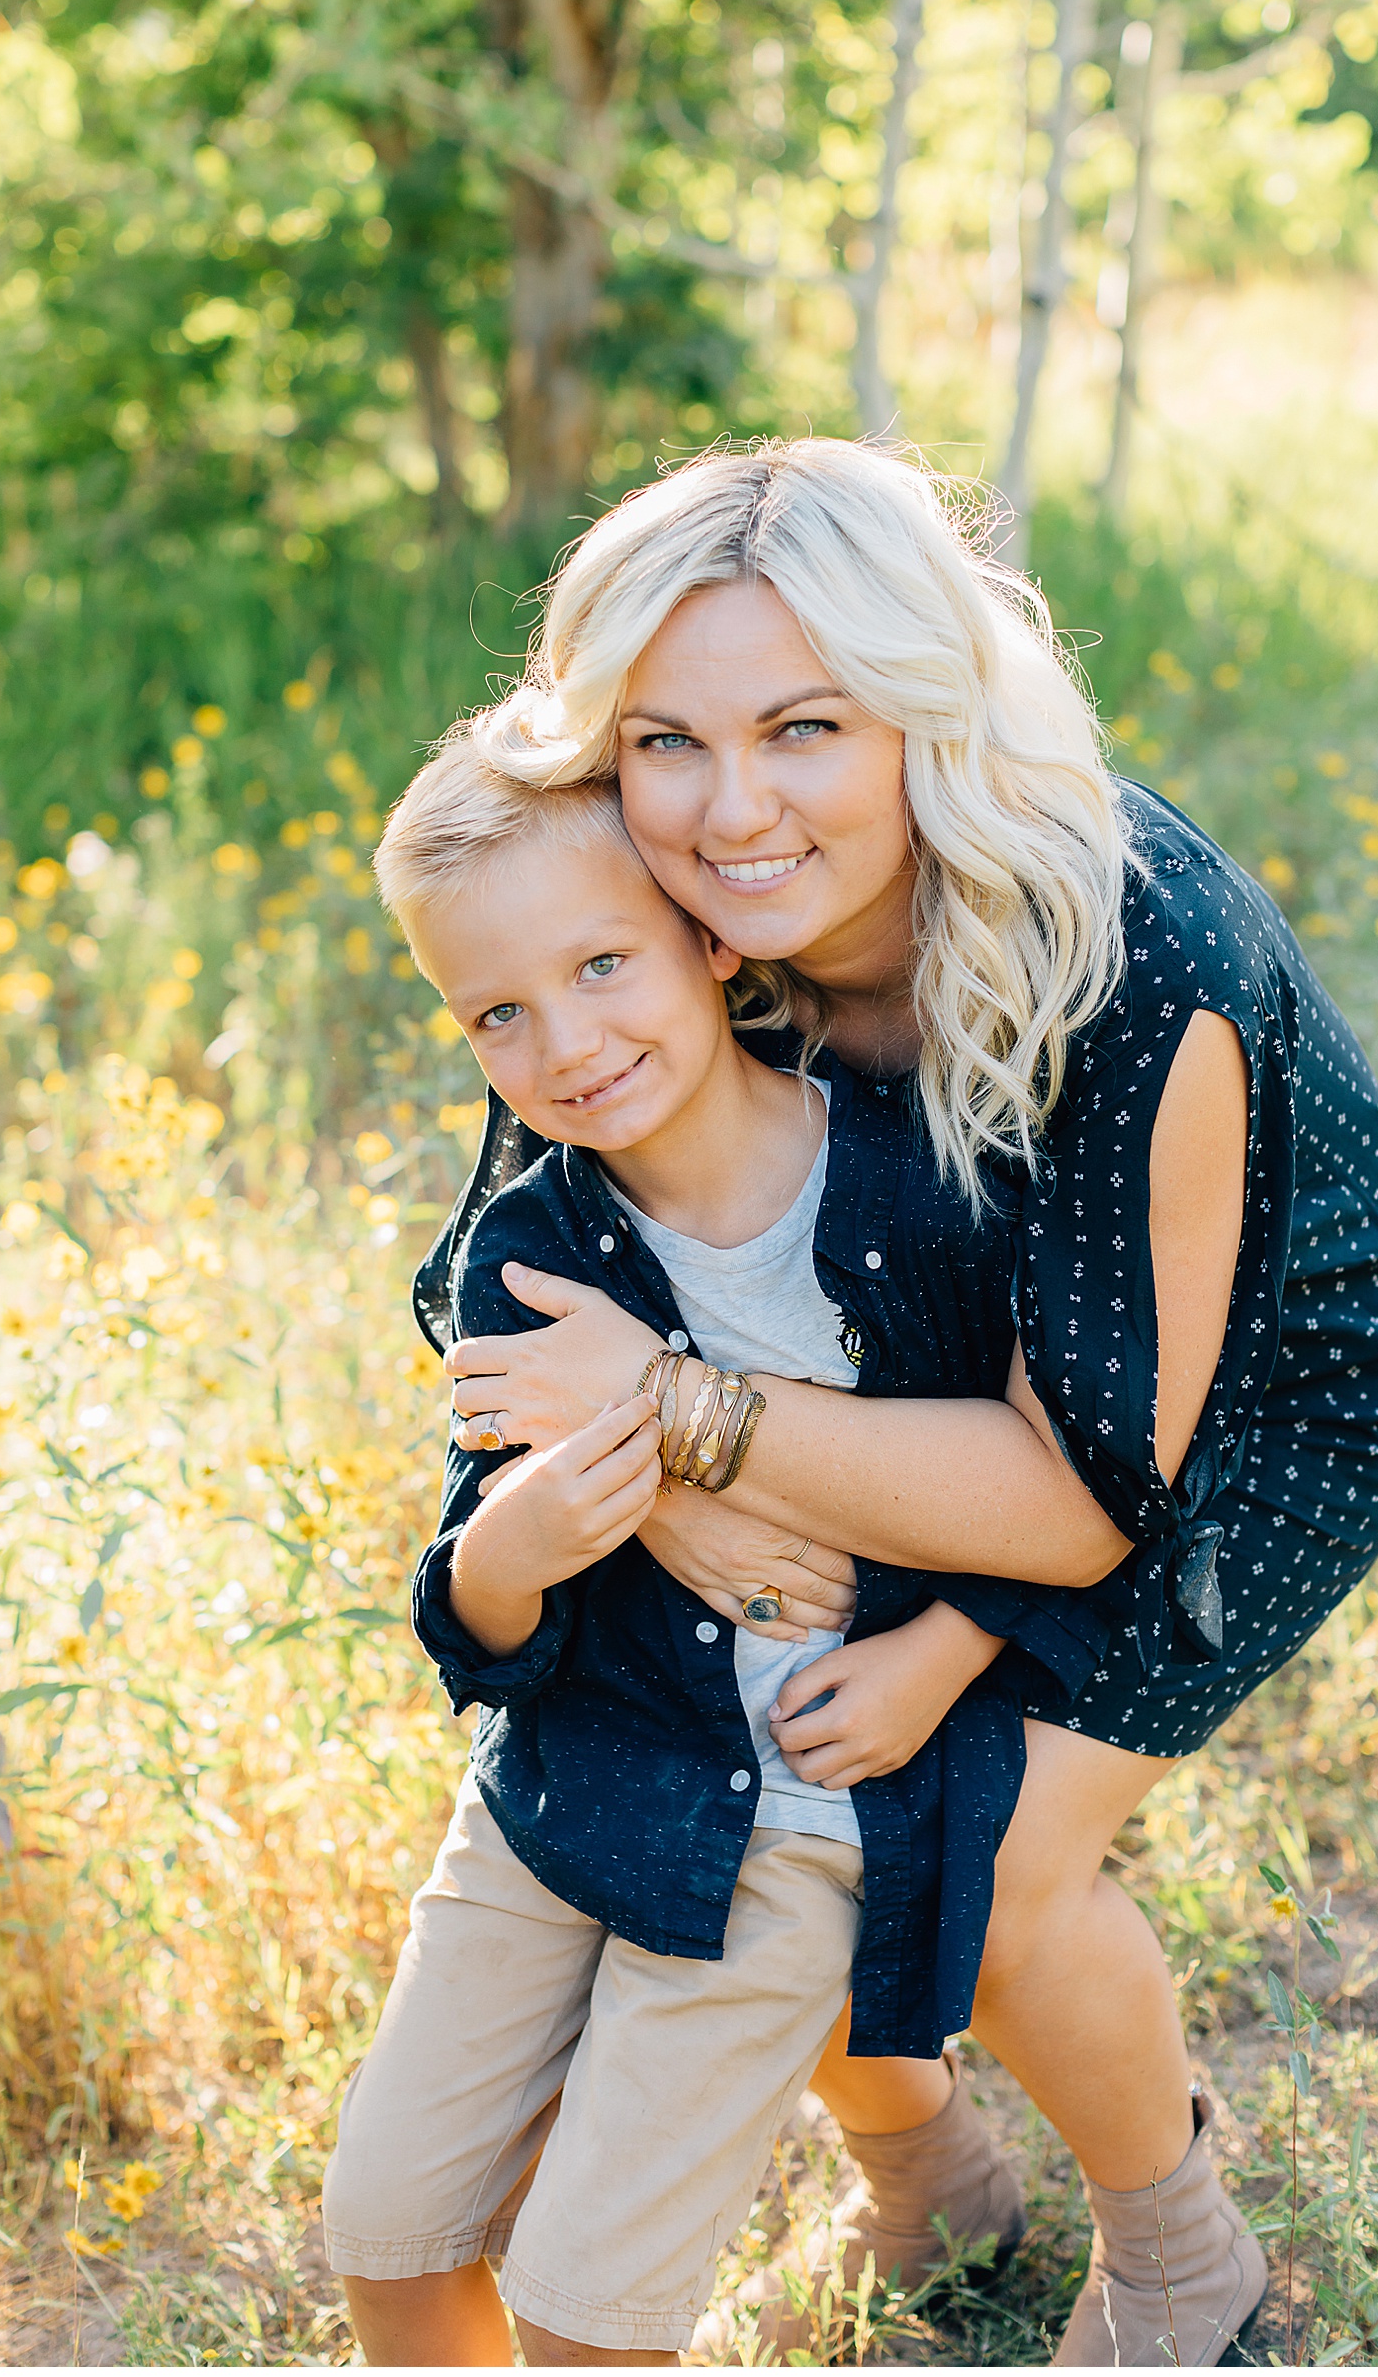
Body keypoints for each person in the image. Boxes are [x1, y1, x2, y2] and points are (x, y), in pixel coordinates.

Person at [437, 437, 1378, 2367]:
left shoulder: (1132, 951)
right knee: (778, 1781)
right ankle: (930, 2182)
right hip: (892, 1388)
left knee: (977, 1850)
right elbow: (511, 1274)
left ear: (925, 702)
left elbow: (1087, 1487)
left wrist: (699, 1430)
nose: (732, 810)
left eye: (806, 727)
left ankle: (1180, 2260)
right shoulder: (642, 917)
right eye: (664, 740)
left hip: (1249, 1393)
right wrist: (671, 1488)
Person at [320, 738, 1110, 2367]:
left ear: (707, 934)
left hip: (815, 1806)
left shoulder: (926, 1182)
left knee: (584, 2304)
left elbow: (1055, 1488)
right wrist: (519, 1544)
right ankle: (921, 2166)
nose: (568, 1042)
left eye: (602, 962)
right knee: (390, 2237)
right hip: (571, 1774)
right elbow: (474, 1613)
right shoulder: (527, 1255)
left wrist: (942, 1648)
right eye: (498, 1012)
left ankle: (924, 2167)